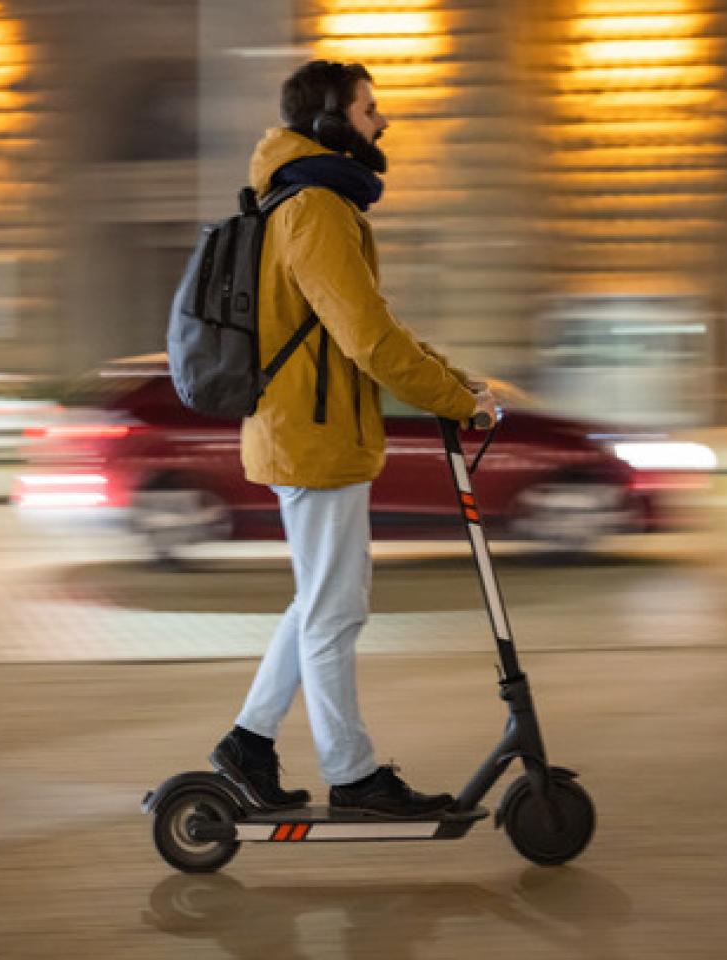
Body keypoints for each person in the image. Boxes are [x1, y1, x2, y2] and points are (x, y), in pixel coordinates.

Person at [208, 60, 499, 819]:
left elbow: (377, 325)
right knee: (335, 612)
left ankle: (248, 743)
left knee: (320, 602)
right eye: (370, 109)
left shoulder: (313, 202)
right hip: (315, 438)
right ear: (332, 123)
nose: (383, 121)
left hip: (314, 434)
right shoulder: (315, 209)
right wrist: (453, 402)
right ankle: (353, 775)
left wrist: (456, 383)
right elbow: (367, 339)